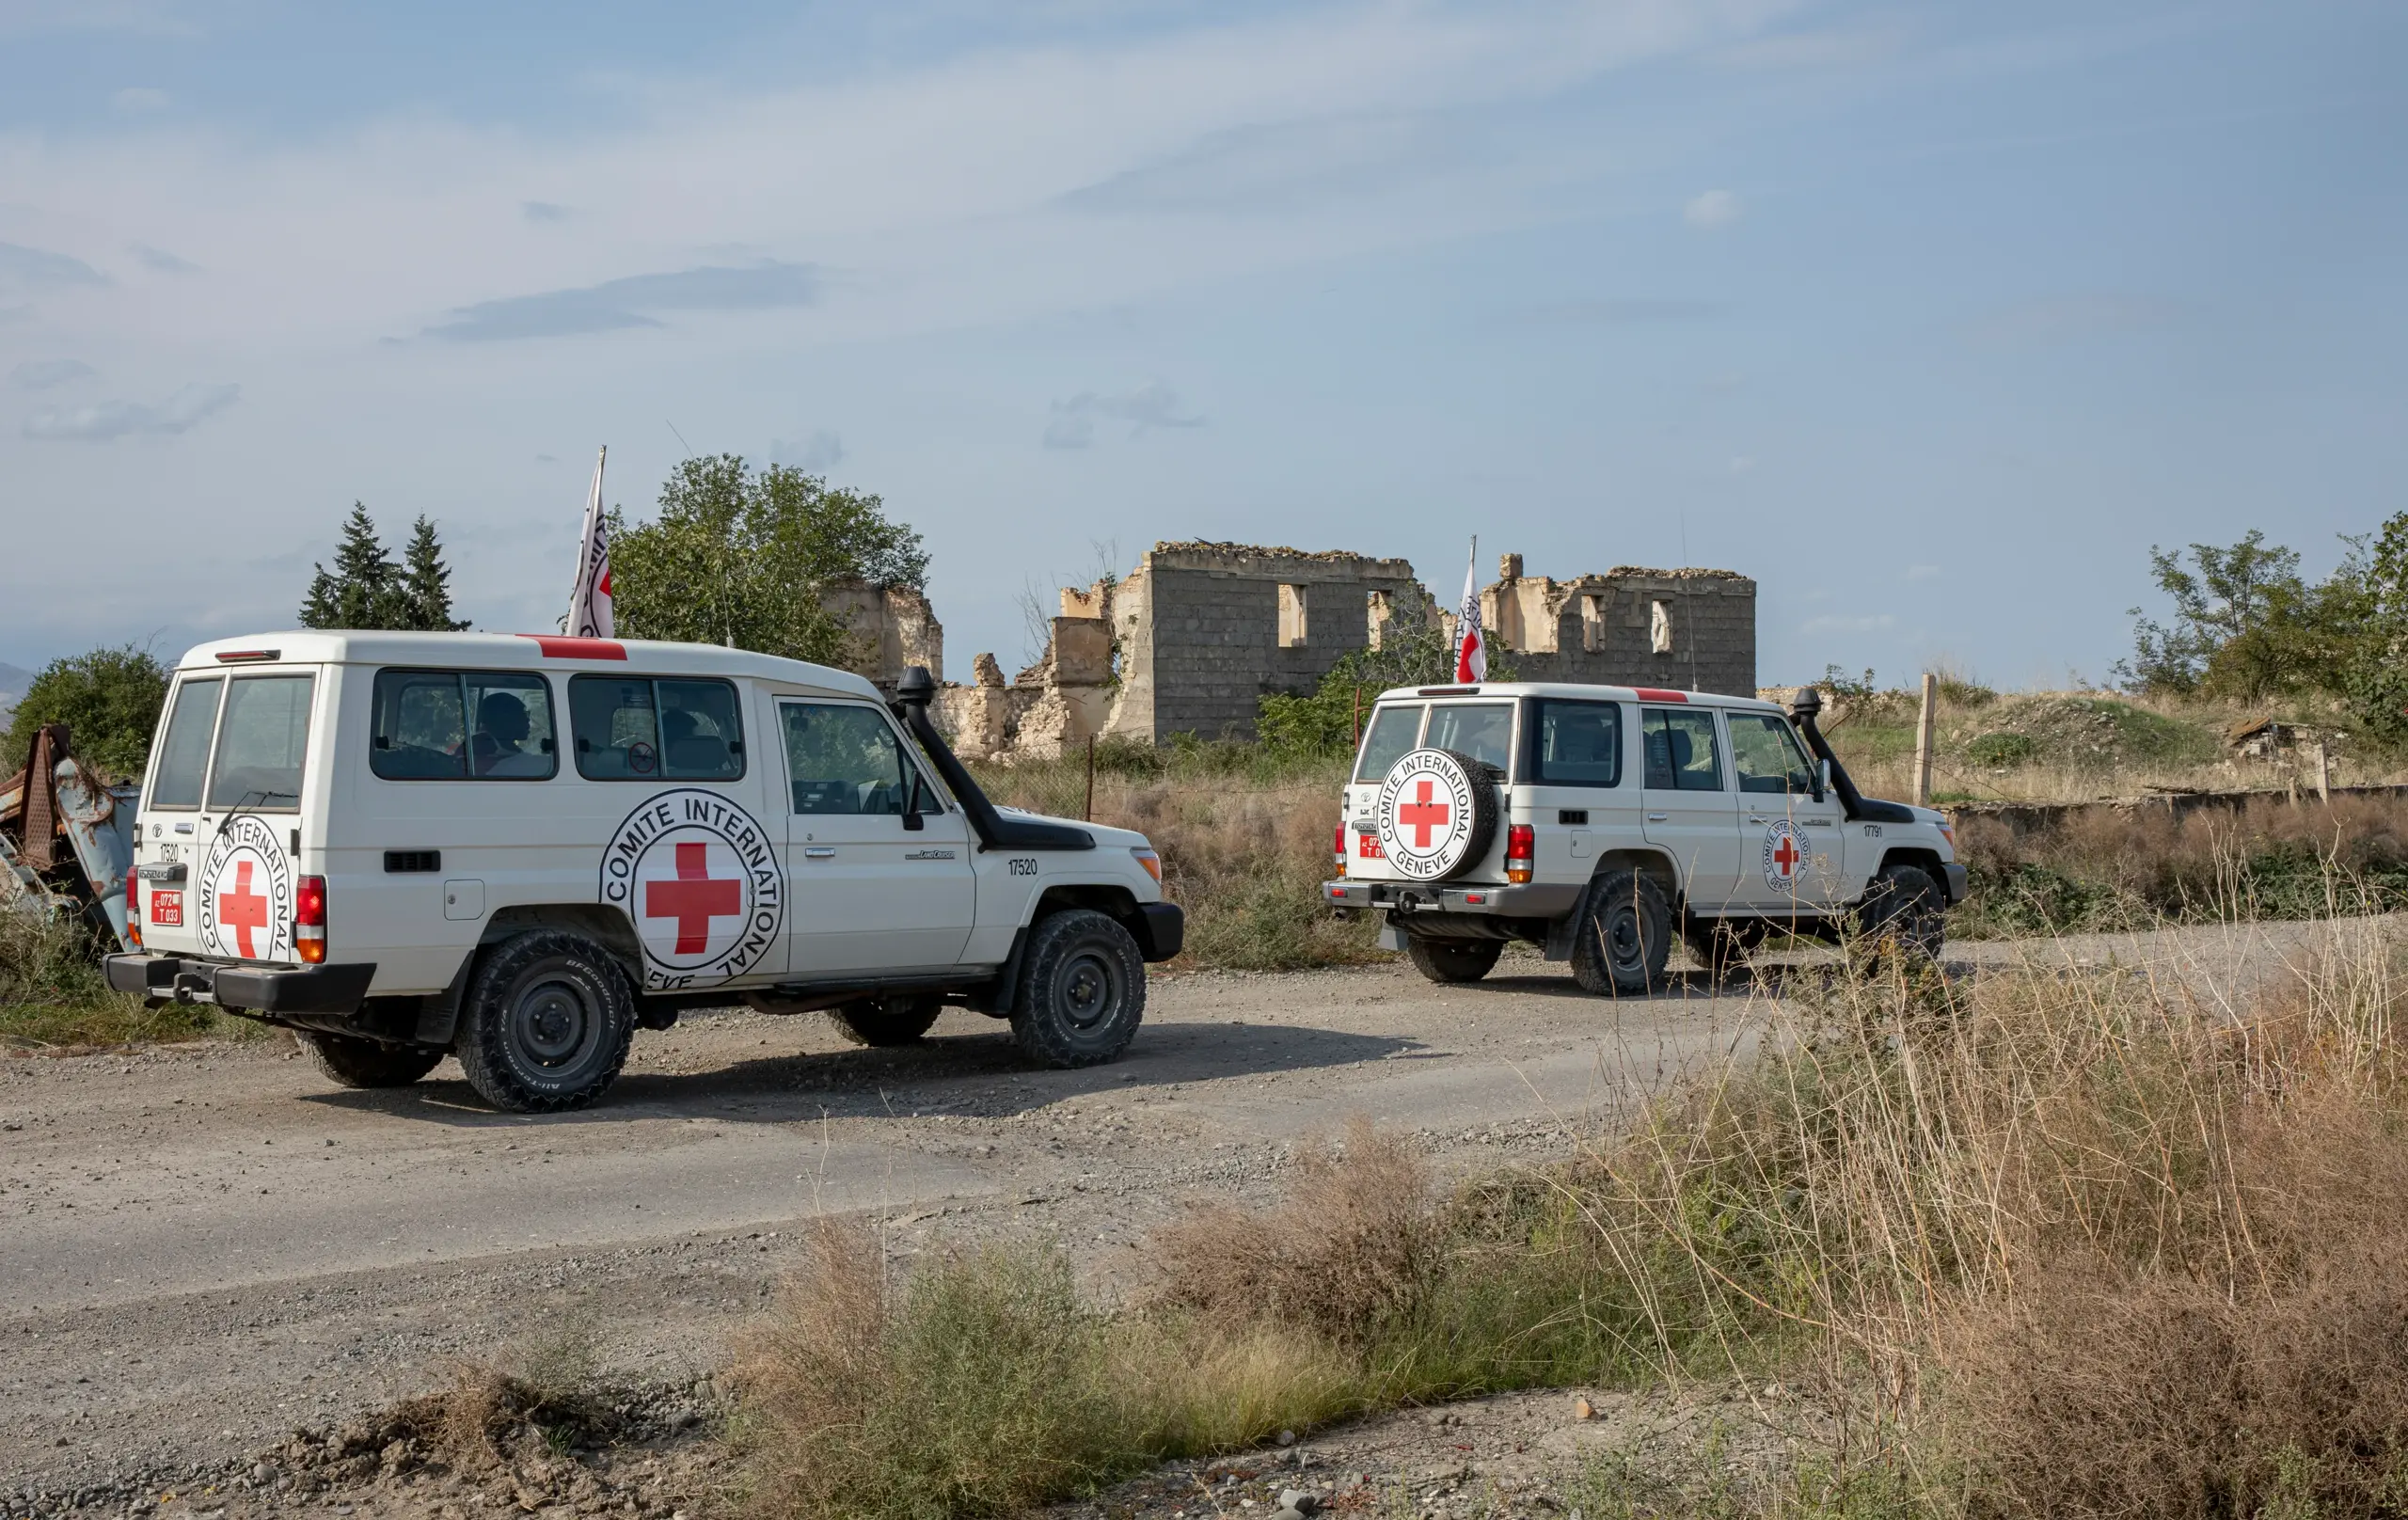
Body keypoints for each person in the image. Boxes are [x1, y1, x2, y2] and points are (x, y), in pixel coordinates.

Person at [470, 690, 549, 777]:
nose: (528, 720)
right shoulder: (482, 747)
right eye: (523, 714)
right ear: (503, 718)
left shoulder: (502, 747)